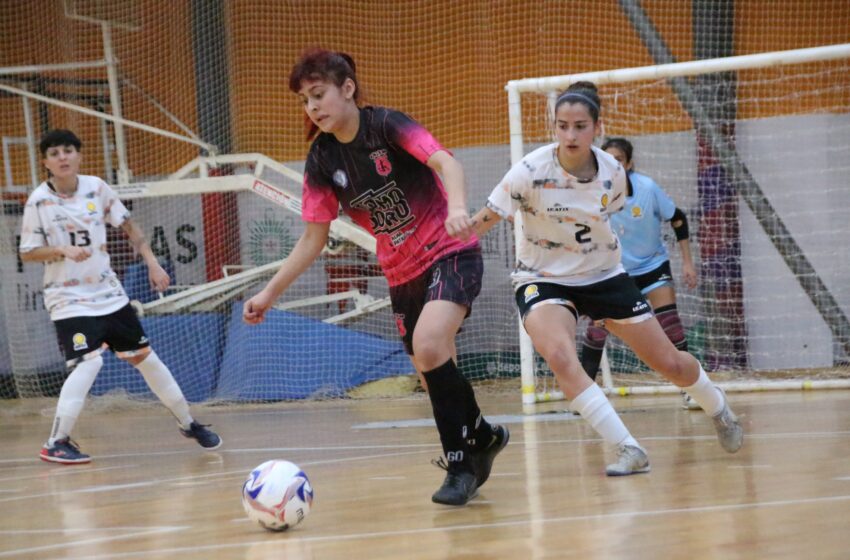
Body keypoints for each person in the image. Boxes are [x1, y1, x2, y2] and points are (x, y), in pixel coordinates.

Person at [242, 48, 508, 506]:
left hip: (449, 252)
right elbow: (312, 239)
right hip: (401, 273)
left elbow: (445, 161)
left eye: (319, 94)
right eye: (305, 100)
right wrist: (268, 293)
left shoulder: (386, 125)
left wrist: (459, 207)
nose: (313, 107)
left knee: (429, 347)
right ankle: (481, 435)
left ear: (347, 88)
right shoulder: (322, 161)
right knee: (430, 370)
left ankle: (460, 464)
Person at [471, 81, 742, 476]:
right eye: (562, 126)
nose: (570, 135)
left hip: (603, 276)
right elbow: (484, 220)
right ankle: (628, 448)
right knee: (561, 356)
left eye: (580, 126)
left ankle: (718, 406)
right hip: (541, 278)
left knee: (670, 363)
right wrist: (451, 234)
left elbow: (610, 217)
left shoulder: (614, 173)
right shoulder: (528, 171)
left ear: (596, 127)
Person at [19, 129, 221, 464]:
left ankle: (189, 423)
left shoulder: (97, 188)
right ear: (45, 162)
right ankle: (56, 441)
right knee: (89, 362)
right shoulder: (38, 201)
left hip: (108, 293)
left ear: (79, 155)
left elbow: (130, 228)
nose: (63, 157)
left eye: (69, 150)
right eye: (54, 153)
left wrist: (153, 264)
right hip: (68, 300)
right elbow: (28, 252)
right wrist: (60, 249)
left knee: (146, 358)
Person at [579, 137, 701, 410]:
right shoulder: (592, 192)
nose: (613, 165)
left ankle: (693, 389)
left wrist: (688, 263)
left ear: (629, 164)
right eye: (608, 160)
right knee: (597, 330)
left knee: (671, 325)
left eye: (618, 160)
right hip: (614, 272)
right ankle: (585, 399)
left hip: (652, 266)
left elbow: (678, 218)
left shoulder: (647, 188)